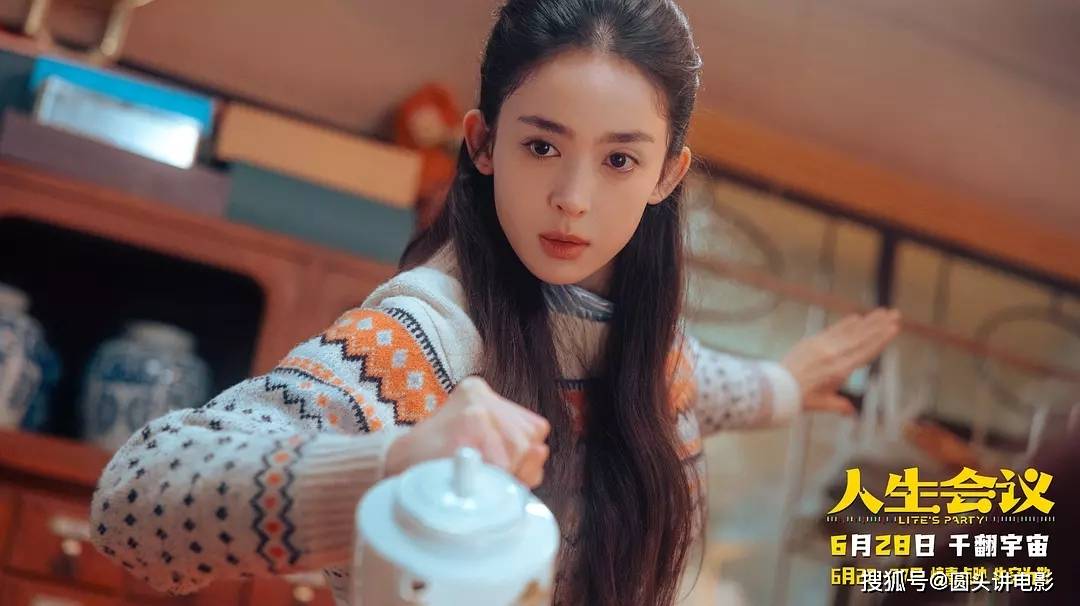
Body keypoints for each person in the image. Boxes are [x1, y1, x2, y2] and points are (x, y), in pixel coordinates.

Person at [89, 1, 901, 604]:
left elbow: (697, 383)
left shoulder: (648, 347)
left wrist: (784, 386)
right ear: (481, 144)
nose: (573, 197)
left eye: (619, 161)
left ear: (666, 175)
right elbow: (134, 501)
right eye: (542, 146)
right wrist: (394, 465)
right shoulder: (421, 335)